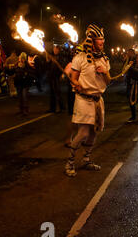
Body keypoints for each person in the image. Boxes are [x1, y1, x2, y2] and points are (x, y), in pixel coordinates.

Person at [64, 24, 111, 177]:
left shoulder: (104, 59)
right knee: (83, 133)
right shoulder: (80, 58)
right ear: (92, 41)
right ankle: (70, 162)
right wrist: (76, 84)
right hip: (84, 100)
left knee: (94, 132)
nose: (102, 42)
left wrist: (104, 73)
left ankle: (86, 159)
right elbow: (73, 78)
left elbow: (108, 81)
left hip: (98, 100)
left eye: (103, 40)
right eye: (99, 40)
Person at [46, 42, 66, 113]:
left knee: (57, 92)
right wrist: (48, 61)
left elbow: (62, 67)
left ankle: (60, 107)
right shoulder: (51, 56)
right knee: (52, 93)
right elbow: (48, 66)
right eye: (54, 49)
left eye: (56, 49)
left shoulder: (61, 57)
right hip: (51, 77)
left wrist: (62, 75)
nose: (55, 50)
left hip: (57, 77)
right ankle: (52, 108)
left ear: (58, 50)